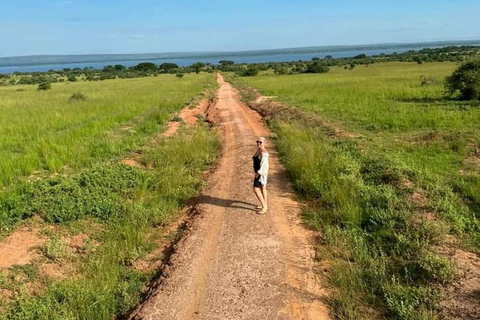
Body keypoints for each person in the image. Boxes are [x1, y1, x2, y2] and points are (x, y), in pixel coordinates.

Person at [252, 137, 269, 214]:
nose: (258, 143)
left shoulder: (263, 153)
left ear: (264, 143)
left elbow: (265, 166)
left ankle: (264, 207)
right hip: (259, 172)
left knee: (256, 189)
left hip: (260, 174)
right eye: (257, 141)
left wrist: (258, 173)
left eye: (260, 142)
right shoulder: (259, 150)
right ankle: (265, 205)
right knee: (263, 188)